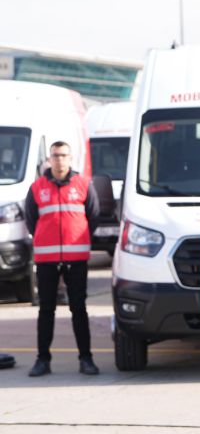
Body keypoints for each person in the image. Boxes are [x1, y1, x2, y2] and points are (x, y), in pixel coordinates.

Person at [25, 141, 100, 377]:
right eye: (56, 156)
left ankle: (86, 359)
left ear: (71, 158)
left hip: (76, 258)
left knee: (79, 309)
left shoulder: (83, 184)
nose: (59, 160)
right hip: (47, 259)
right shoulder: (37, 187)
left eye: (64, 155)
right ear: (50, 159)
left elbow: (93, 216)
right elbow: (31, 219)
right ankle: (42, 360)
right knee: (46, 310)